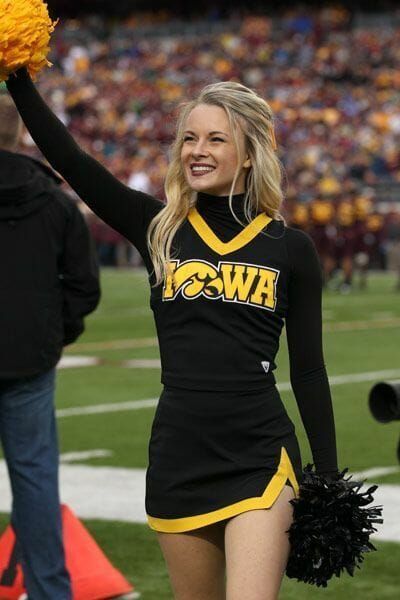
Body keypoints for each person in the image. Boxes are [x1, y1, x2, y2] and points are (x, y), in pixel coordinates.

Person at [6, 68, 338, 600]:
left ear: (250, 153)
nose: (196, 150)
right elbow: (69, 161)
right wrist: (16, 74)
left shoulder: (289, 248)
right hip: (179, 453)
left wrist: (328, 478)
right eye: (188, 138)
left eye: (215, 139)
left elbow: (309, 369)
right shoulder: (159, 227)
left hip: (260, 455)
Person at [0, 91, 101, 600]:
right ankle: (49, 592)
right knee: (36, 484)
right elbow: (84, 287)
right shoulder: (56, 202)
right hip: (30, 362)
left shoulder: (55, 200)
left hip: (32, 359)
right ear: (21, 134)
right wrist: (54, 334)